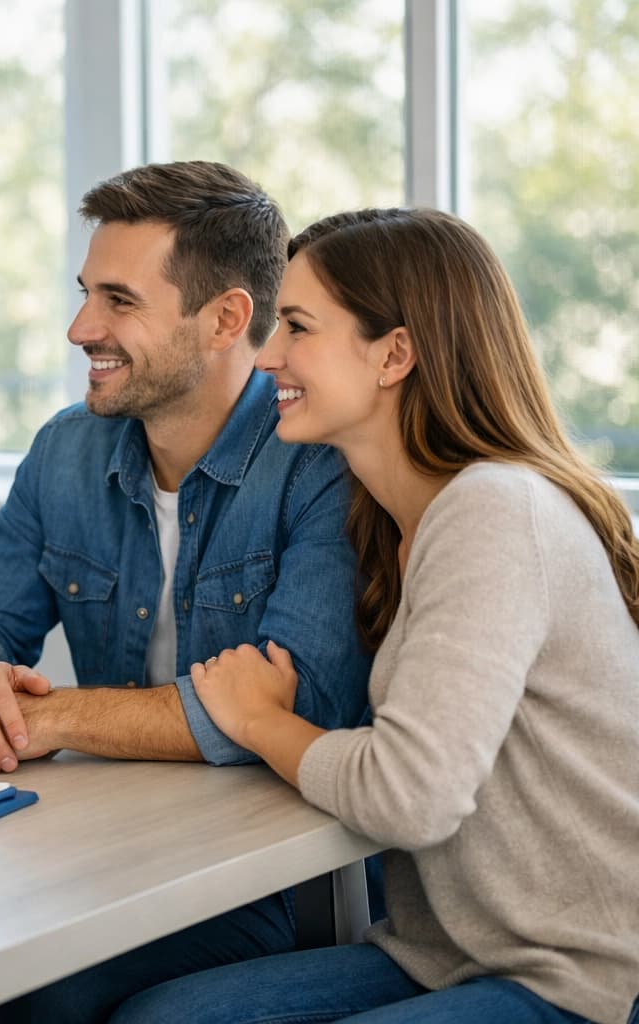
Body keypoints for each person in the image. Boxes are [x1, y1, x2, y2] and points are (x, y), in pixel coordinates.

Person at [110, 208, 639, 1024]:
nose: (269, 355)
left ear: (394, 353)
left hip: (574, 981)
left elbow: (411, 796)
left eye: (296, 326)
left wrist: (259, 722)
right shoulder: (392, 518)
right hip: (443, 956)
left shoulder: (494, 512)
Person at [0, 162, 373, 1021]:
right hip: (104, 848)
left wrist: (51, 716)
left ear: (227, 318)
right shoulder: (67, 450)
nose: (80, 329)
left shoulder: (320, 461)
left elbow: (306, 702)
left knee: (22, 998)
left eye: (119, 301)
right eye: (85, 294)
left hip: (273, 880)